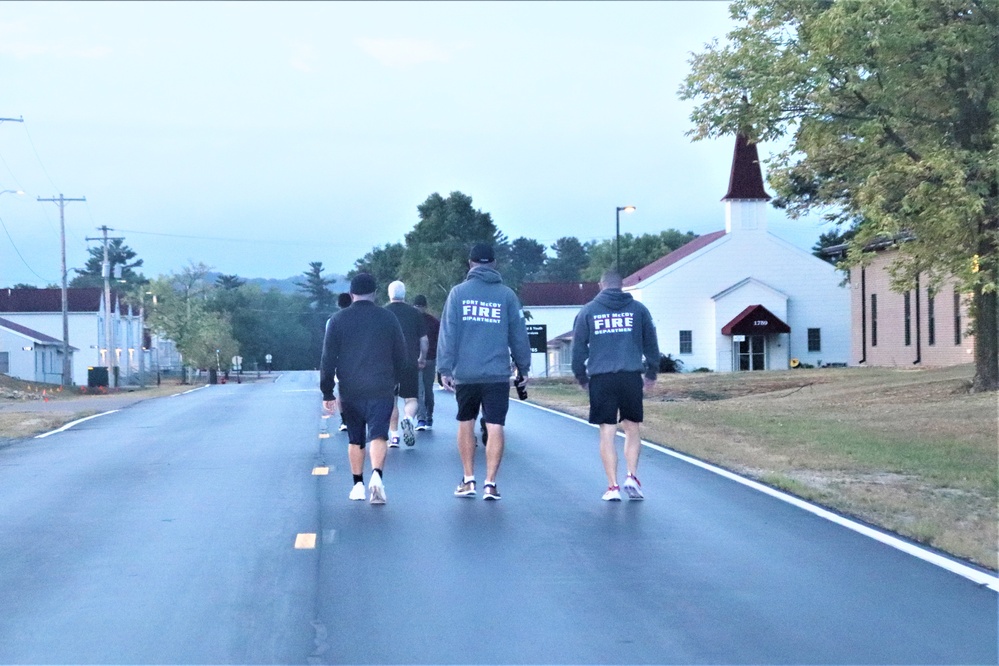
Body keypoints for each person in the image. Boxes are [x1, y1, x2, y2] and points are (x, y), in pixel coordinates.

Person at [437, 243, 531, 501]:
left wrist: (444, 368)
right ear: (494, 264)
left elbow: (448, 333)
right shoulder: (507, 296)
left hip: (466, 373)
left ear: (470, 264)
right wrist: (523, 367)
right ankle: (490, 483)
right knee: (496, 424)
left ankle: (469, 480)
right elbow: (519, 336)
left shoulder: (458, 294)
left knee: (465, 421)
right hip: (497, 374)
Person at [571, 270, 660, 501]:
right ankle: (632, 476)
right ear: (622, 286)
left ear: (601, 285)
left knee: (607, 432)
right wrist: (651, 372)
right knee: (632, 428)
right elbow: (651, 342)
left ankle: (613, 487)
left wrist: (581, 375)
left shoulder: (588, 311)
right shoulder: (639, 310)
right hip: (630, 375)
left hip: (602, 378)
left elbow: (578, 347)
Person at [320, 273, 406, 505]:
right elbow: (401, 354)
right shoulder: (387, 318)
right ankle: (376, 476)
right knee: (378, 434)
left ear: (351, 294)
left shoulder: (338, 320)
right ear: (375, 294)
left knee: (355, 438)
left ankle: (357, 484)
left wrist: (327, 392)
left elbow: (328, 359)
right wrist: (396, 379)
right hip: (381, 386)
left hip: (351, 388)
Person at [384, 280, 428, 448]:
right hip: (409, 360)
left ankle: (394, 436)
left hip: (389, 363)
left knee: (392, 400)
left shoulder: (383, 313)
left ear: (389, 294)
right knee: (412, 398)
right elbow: (424, 340)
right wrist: (422, 358)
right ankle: (408, 419)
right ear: (404, 294)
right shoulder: (415, 313)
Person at [412, 294, 440, 431]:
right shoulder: (434, 322)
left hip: (417, 359)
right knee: (428, 389)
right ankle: (428, 416)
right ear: (426, 306)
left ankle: (422, 419)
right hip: (430, 358)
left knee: (420, 390)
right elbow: (440, 341)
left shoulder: (410, 321)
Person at [334, 292, 353, 432]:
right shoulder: (358, 319)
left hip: (341, 360)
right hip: (359, 360)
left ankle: (345, 419)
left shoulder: (334, 320)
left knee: (342, 392)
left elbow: (330, 344)